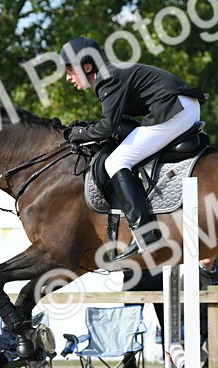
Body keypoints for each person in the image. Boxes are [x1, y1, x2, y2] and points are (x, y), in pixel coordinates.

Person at [58, 35, 206, 260]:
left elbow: (107, 127)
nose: (68, 77)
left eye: (70, 70)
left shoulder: (107, 79)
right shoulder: (109, 76)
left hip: (174, 109)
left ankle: (144, 234)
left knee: (115, 162)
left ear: (87, 66)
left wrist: (79, 133)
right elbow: (118, 124)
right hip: (179, 106)